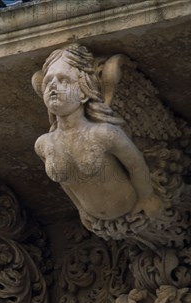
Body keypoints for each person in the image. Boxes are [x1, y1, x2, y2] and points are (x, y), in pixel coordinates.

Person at [33, 44, 163, 223]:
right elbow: (65, 182)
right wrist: (80, 209)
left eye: (64, 80)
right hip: (94, 221)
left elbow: (137, 166)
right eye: (48, 82)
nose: (54, 86)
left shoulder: (103, 134)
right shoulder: (44, 144)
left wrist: (147, 197)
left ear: (83, 93)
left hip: (133, 210)